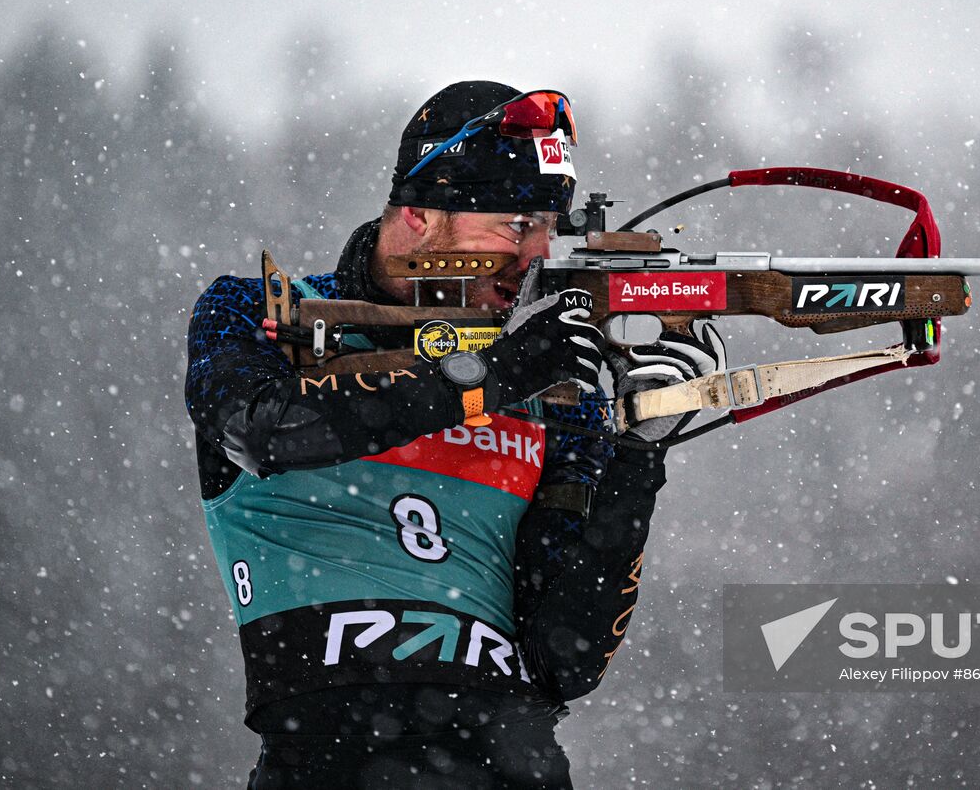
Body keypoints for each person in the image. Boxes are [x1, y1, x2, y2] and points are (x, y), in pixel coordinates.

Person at [184, 81, 724, 787]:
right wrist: (490, 376)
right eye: (514, 224)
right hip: (327, 756)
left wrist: (637, 449)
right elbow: (269, 431)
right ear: (417, 217)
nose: (536, 252)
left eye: (549, 228)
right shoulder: (260, 313)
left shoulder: (550, 384)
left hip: (511, 757)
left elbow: (566, 657)